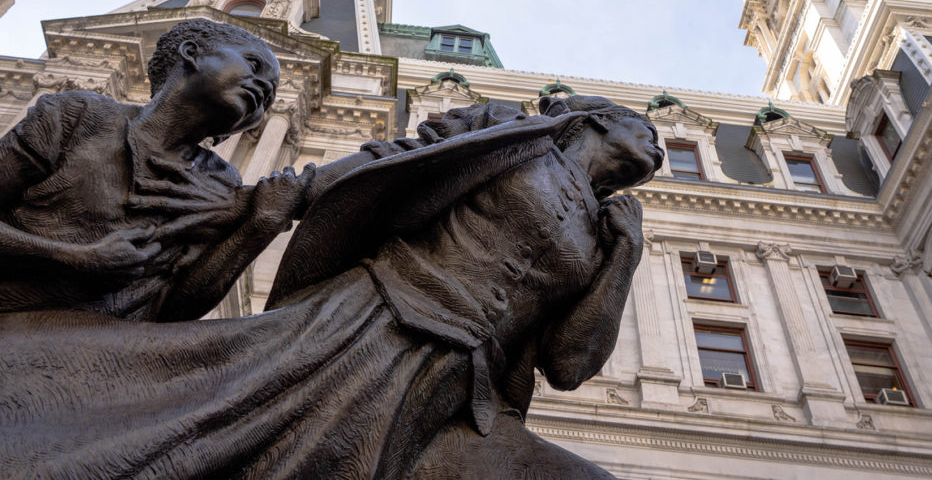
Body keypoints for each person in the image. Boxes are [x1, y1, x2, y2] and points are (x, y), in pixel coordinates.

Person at [0, 96, 662, 478]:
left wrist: (627, 252)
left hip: (466, 393)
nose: (657, 152)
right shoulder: (511, 133)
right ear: (599, 118)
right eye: (649, 131)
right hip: (368, 326)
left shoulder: (605, 235)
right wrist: (264, 206)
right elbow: (390, 162)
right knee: (197, 431)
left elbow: (570, 365)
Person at [0, 18, 313, 322]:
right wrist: (74, 258)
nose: (262, 91)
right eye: (254, 66)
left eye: (269, 99)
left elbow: (173, 310)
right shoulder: (78, 115)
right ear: (191, 53)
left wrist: (259, 227)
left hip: (98, 347)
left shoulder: (220, 184)